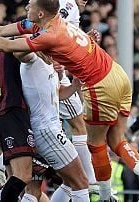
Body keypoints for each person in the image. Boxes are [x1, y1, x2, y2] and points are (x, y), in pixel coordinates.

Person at [0, 0, 139, 202]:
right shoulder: (40, 46)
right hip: (53, 124)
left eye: (30, 6)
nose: (26, 8)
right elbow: (8, 40)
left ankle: (103, 193)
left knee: (66, 179)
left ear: (41, 14)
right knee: (73, 179)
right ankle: (107, 195)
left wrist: (74, 80)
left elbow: (58, 90)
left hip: (56, 122)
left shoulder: (48, 45)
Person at [15, 52, 89, 201]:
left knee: (34, 190)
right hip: (47, 131)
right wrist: (30, 44)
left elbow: (57, 94)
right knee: (81, 181)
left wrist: (74, 86)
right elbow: (20, 52)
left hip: (41, 131)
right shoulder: (32, 59)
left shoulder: (50, 65)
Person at [57, 0, 98, 190]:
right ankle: (90, 179)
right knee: (78, 124)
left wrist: (84, 37)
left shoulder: (69, 7)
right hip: (51, 71)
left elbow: (66, 35)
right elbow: (52, 30)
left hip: (53, 70)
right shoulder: (67, 3)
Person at [0, 52, 37, 201]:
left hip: (6, 112)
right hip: (14, 111)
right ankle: (0, 197)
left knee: (26, 185)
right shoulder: (14, 46)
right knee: (24, 175)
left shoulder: (1, 52)